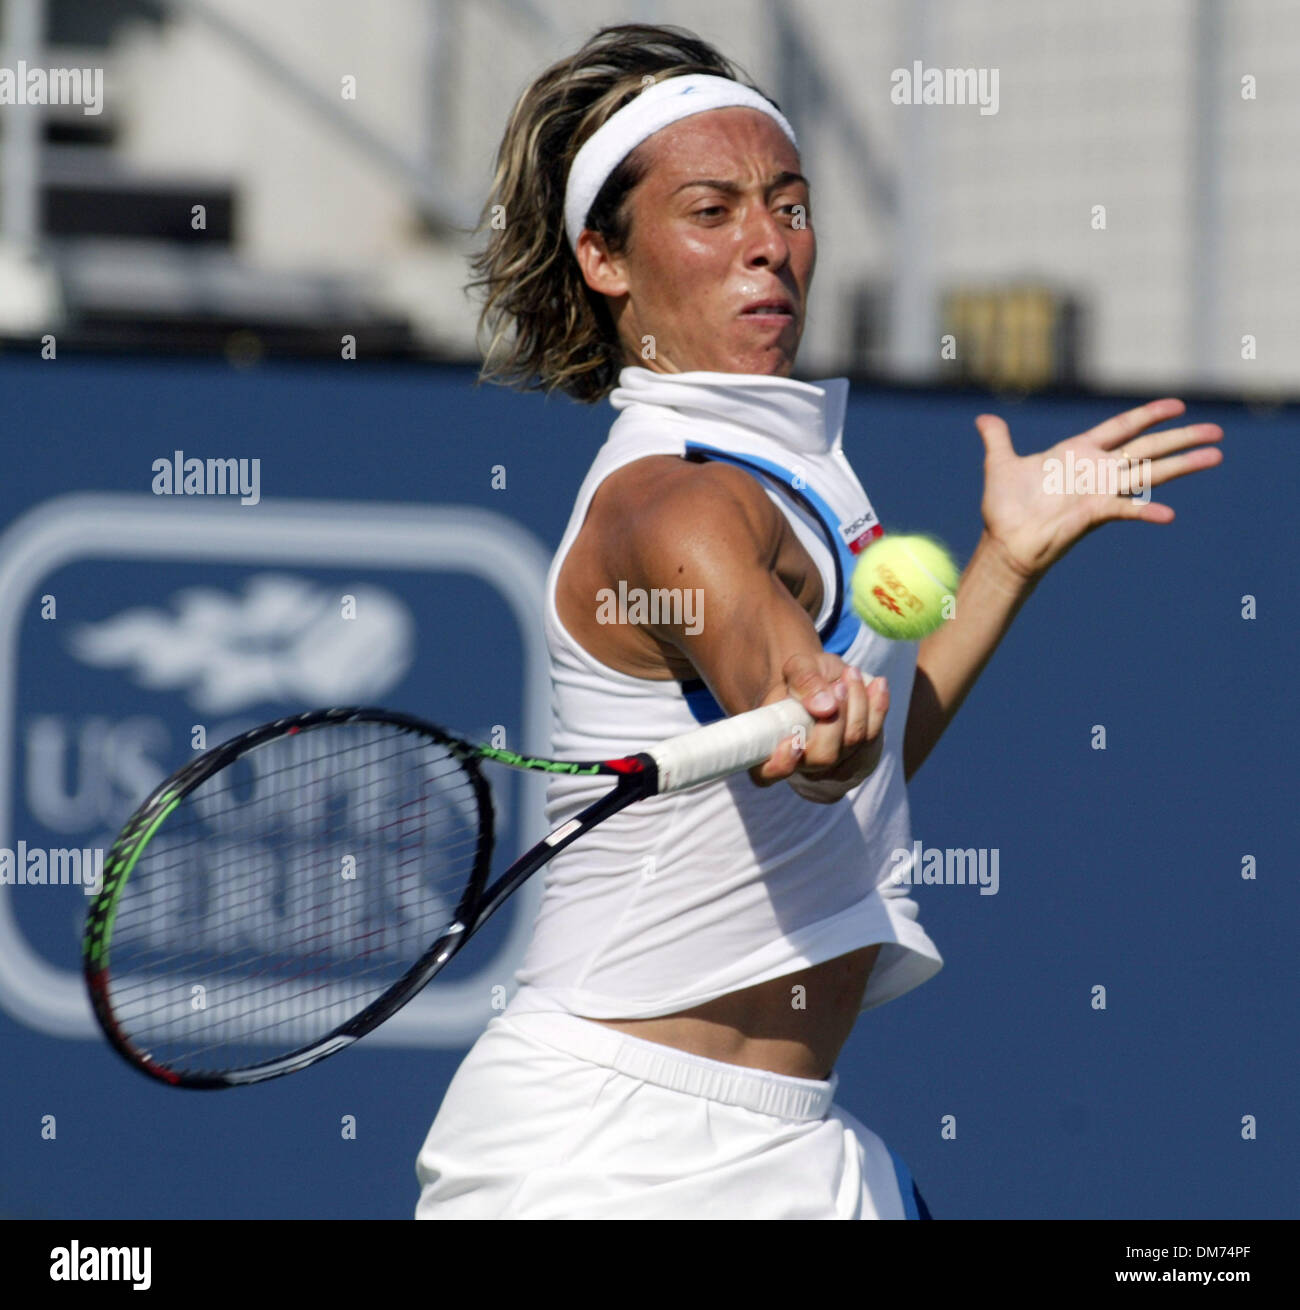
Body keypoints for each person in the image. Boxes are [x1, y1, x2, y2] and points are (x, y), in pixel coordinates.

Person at [414, 23, 1223, 1220]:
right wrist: (809, 718)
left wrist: (999, 561)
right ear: (605, 258)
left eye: (787, 206)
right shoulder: (667, 503)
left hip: (797, 1144)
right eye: (711, 211)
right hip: (600, 1159)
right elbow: (791, 696)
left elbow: (864, 754)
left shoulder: (790, 460)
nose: (768, 247)